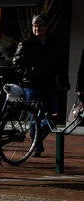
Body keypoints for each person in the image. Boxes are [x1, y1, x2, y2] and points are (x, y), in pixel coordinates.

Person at [12, 14, 70, 156]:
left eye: (39, 26)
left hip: (48, 85)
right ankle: (36, 146)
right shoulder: (25, 44)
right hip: (31, 86)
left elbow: (60, 66)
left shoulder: (53, 45)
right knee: (34, 117)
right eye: (34, 26)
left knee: (54, 115)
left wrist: (64, 82)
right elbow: (16, 63)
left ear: (46, 27)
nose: (36, 29)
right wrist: (28, 74)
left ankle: (36, 139)